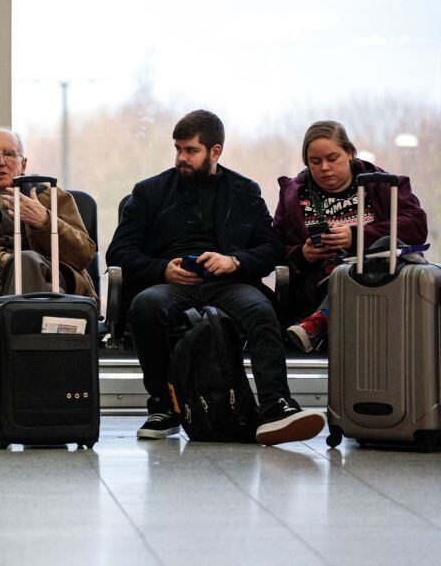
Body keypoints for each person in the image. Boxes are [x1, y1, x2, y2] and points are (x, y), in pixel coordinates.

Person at [106, 109, 325, 446]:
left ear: (215, 151)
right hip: (171, 283)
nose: (182, 158)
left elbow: (271, 248)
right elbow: (118, 252)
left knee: (261, 312)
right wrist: (162, 269)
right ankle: (164, 406)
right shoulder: (150, 192)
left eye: (191, 150)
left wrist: (234, 262)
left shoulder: (243, 191)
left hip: (228, 282)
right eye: (178, 149)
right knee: (146, 306)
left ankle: (276, 407)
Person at [274, 120, 427, 352]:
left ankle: (318, 323)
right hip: (317, 284)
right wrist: (303, 254)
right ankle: (319, 319)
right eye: (315, 162)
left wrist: (356, 237)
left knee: (381, 248)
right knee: (341, 276)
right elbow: (273, 247)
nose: (324, 167)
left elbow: (416, 225)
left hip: (380, 283)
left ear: (350, 153)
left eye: (332, 158)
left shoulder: (384, 186)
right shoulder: (293, 196)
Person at [0, 128, 97, 316]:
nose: (1, 162)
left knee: (28, 262)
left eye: (10, 154)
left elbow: (83, 253)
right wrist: (2, 259)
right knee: (34, 274)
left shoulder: (52, 196)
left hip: (53, 275)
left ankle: (25, 331)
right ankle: (48, 318)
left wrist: (45, 221)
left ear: (24, 164)